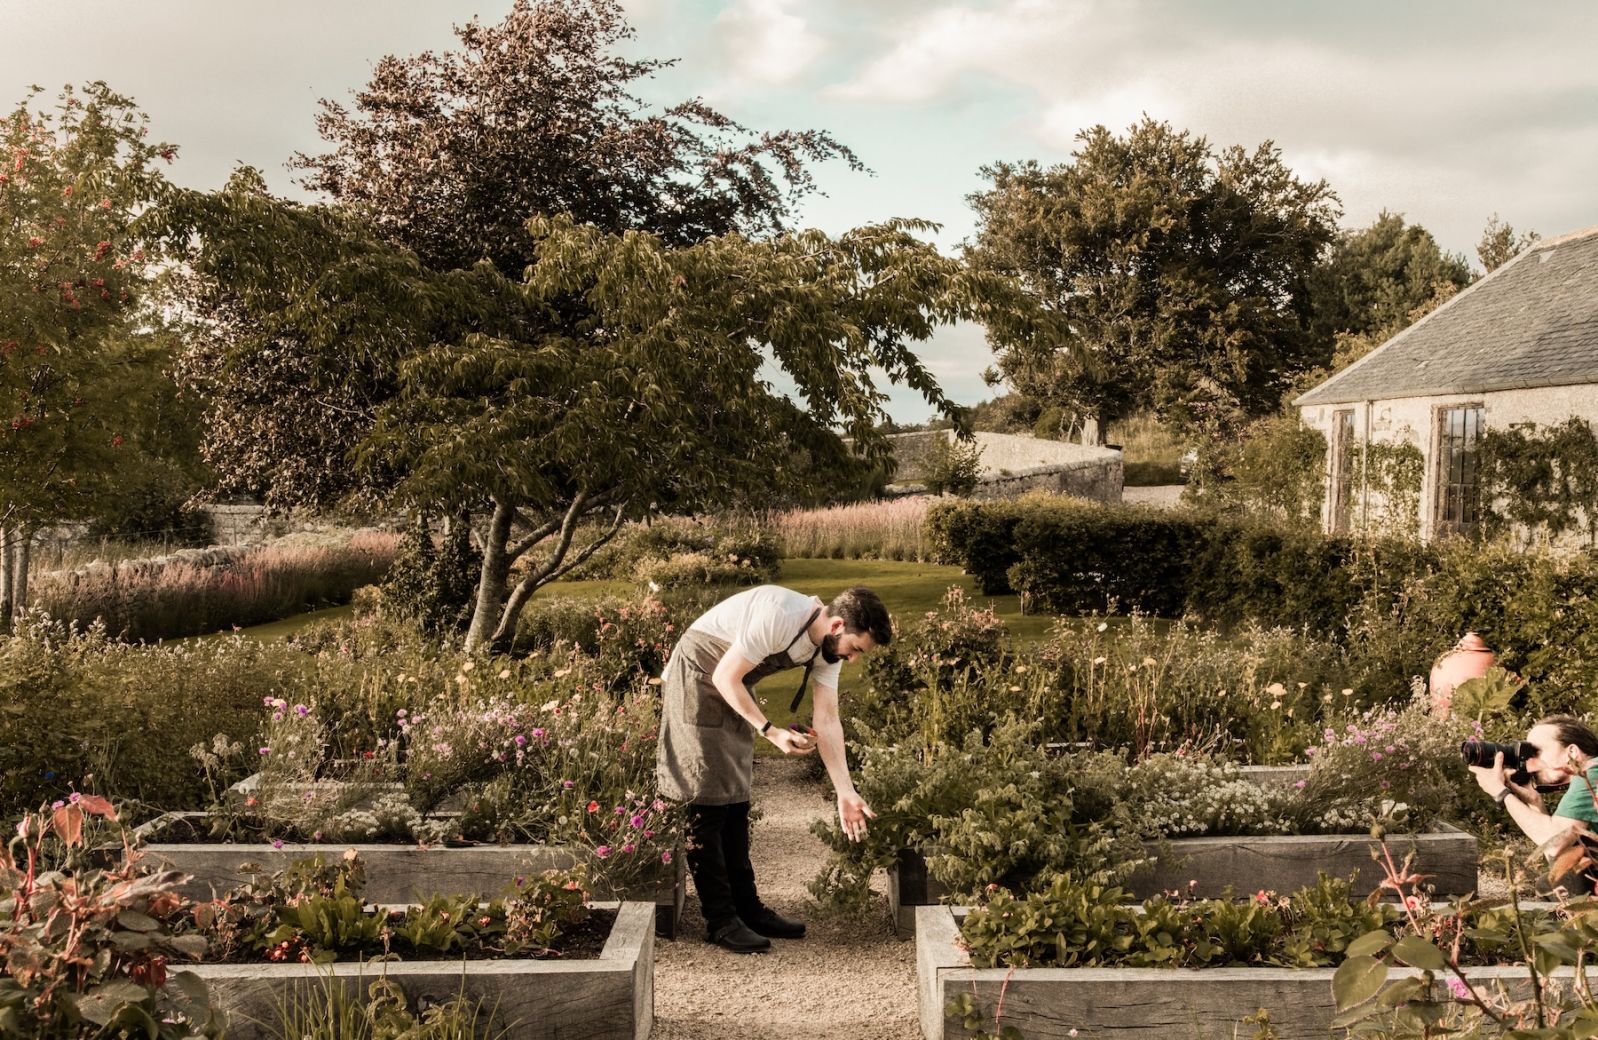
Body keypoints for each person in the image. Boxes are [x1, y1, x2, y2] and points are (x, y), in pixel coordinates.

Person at [655, 584, 890, 953]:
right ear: (837, 626)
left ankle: (748, 909)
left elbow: (828, 720)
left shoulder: (827, 651)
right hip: (698, 675)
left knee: (736, 800)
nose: (854, 659)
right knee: (705, 800)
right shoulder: (780, 616)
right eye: (856, 648)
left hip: (734, 680)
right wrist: (770, 730)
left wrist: (845, 791)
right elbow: (724, 677)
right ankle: (721, 920)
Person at [1469, 714, 1598, 892]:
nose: (1529, 761)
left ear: (1572, 752)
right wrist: (1535, 802)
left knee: (1557, 884)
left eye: (1536, 752)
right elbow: (1557, 855)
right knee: (1554, 883)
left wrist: (1501, 792)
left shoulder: (1592, 773)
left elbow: (1555, 844)